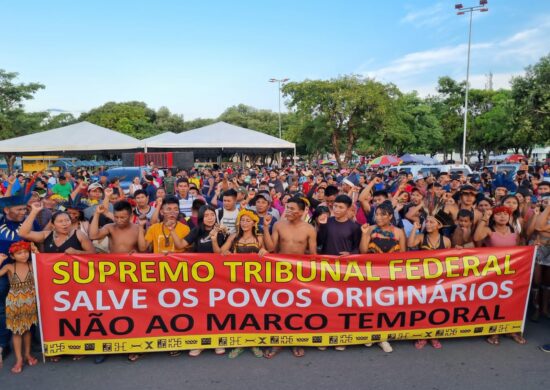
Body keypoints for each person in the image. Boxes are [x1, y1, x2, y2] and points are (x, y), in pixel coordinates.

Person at [215, 209, 267, 359]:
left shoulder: (259, 238)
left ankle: (254, 342)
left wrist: (264, 252)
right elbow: (222, 252)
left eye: (248, 220)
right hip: (237, 280)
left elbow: (268, 253)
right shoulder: (234, 236)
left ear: (253, 223)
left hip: (256, 281)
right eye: (242, 220)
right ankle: (240, 343)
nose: (244, 223)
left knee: (255, 312)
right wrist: (227, 252)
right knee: (239, 312)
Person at [473, 206, 526, 346]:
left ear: (510, 217)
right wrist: (485, 218)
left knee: (511, 300)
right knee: (493, 302)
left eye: (505, 214)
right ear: (493, 217)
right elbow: (477, 237)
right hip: (493, 273)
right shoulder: (489, 230)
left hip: (511, 273)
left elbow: (521, 249)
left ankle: (511, 329)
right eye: (498, 214)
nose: (502, 217)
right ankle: (493, 331)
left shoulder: (515, 231)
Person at [407, 205, 453, 350]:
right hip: (422, 280)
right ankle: (421, 335)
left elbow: (449, 261)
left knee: (436, 309)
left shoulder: (445, 241)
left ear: (439, 225)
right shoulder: (421, 237)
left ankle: (433, 336)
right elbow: (410, 244)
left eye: (432, 222)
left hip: (438, 281)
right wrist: (415, 228)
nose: (428, 224)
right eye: (427, 222)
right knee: (421, 309)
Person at [0, 241, 38, 373]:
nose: (23, 255)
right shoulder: (10, 267)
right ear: (13, 256)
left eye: (25, 252)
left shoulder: (32, 265)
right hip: (14, 303)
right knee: (16, 332)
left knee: (28, 329)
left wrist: (36, 252)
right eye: (19, 253)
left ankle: (27, 354)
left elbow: (45, 269)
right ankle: (19, 359)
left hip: (30, 302)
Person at [20, 204, 96, 256]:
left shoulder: (79, 234)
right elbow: (23, 233)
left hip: (75, 275)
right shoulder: (46, 235)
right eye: (60, 221)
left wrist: (77, 252)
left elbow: (93, 253)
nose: (65, 224)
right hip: (51, 275)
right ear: (53, 225)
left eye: (67, 220)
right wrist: (34, 211)